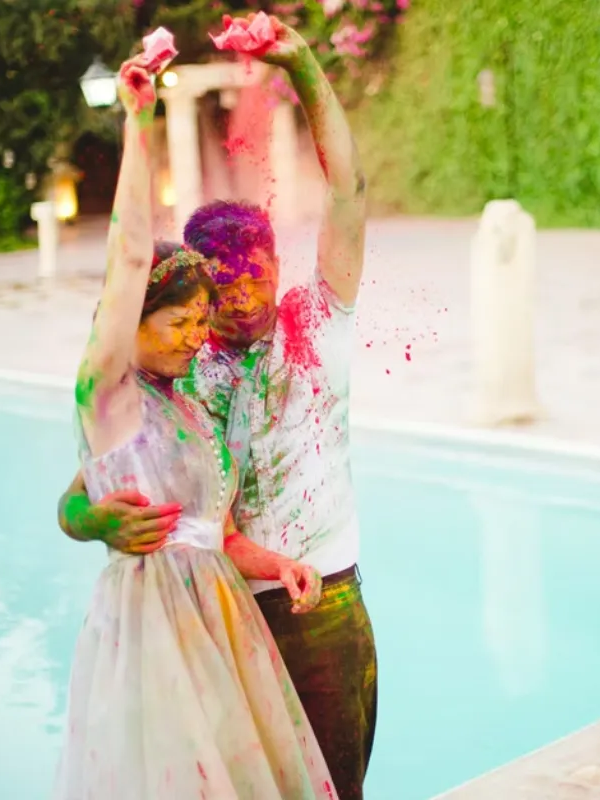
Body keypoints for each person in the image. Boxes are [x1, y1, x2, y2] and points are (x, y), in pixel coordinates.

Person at [57, 17, 376, 799]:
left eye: (253, 274)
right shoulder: (169, 378)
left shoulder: (315, 323)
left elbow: (348, 190)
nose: (236, 299)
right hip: (214, 621)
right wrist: (96, 521)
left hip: (318, 603)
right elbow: (80, 495)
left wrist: (300, 63)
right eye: (215, 287)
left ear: (278, 263)